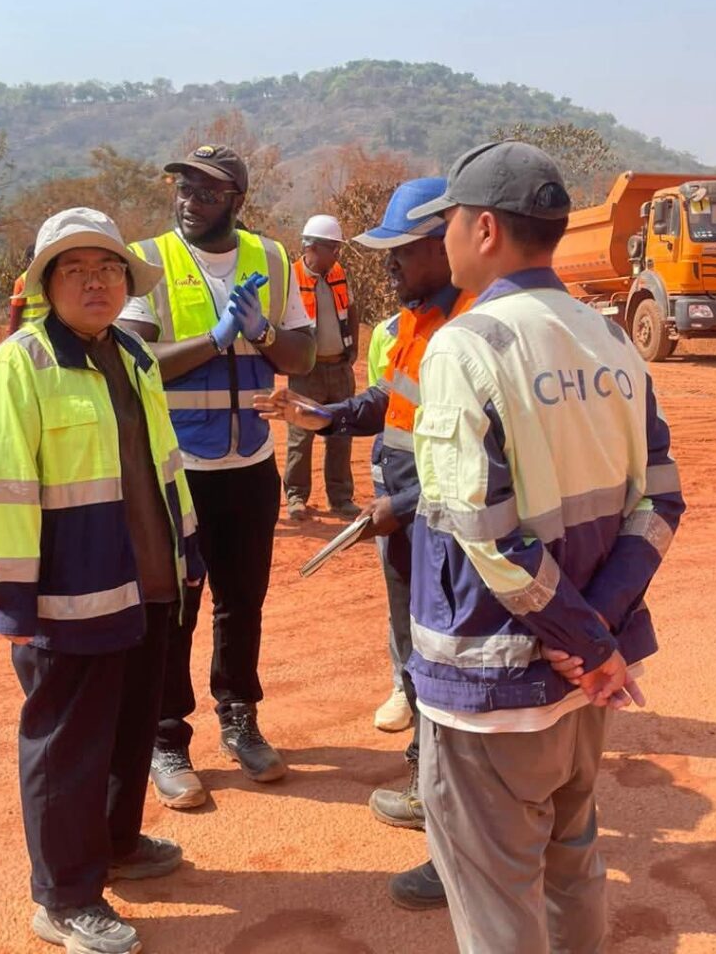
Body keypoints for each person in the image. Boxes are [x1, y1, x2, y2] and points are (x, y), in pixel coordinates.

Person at [406, 142, 686, 953]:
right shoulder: (611, 337)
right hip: (584, 685)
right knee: (572, 865)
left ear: (484, 228)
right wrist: (597, 637)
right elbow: (660, 500)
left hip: (494, 681)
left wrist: (586, 643)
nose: (445, 238)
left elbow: (485, 530)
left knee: (498, 900)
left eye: (449, 222)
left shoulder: (467, 344)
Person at [0, 208, 204, 954]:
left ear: (126, 282)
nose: (95, 282)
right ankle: (65, 898)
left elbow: (165, 466)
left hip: (147, 584)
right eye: (74, 270)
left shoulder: (133, 356)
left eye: (107, 269)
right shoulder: (21, 365)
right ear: (47, 284)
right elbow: (1, 489)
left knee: (130, 731)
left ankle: (118, 846)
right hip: (67, 597)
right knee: (67, 748)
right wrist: (14, 602)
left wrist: (186, 555)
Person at [254, 177, 469, 909]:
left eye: (402, 251)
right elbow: (390, 401)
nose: (389, 265)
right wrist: (327, 415)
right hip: (407, 516)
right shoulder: (416, 320)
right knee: (414, 649)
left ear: (446, 244)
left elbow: (484, 454)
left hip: (442, 523)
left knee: (443, 658)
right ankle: (424, 778)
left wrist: (400, 506)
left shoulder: (472, 327)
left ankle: (447, 808)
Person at [119, 144, 315, 809]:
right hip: (178, 470)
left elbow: (303, 356)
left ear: (237, 200)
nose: (189, 201)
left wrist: (263, 334)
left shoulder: (274, 259)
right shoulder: (148, 260)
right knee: (174, 607)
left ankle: (240, 718)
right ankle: (166, 737)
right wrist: (216, 336)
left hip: (250, 464)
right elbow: (135, 361)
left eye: (205, 192)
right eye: (183, 188)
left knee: (242, 601)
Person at [284, 215, 360, 520]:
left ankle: (340, 499)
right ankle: (296, 497)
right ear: (312, 247)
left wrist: (353, 348)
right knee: (301, 437)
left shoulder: (338, 273)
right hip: (306, 372)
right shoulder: (291, 278)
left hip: (339, 368)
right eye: (334, 248)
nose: (338, 254)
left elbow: (351, 308)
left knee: (341, 434)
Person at [366, 313, 413, 733]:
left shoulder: (468, 324)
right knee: (399, 591)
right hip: (393, 480)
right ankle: (404, 687)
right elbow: (380, 405)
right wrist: (327, 416)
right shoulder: (386, 332)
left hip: (443, 486)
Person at [8, 245, 50, 334]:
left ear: (28, 261)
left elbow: (15, 312)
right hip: (51, 330)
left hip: (30, 332)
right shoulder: (52, 278)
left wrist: (12, 333)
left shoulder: (22, 281)